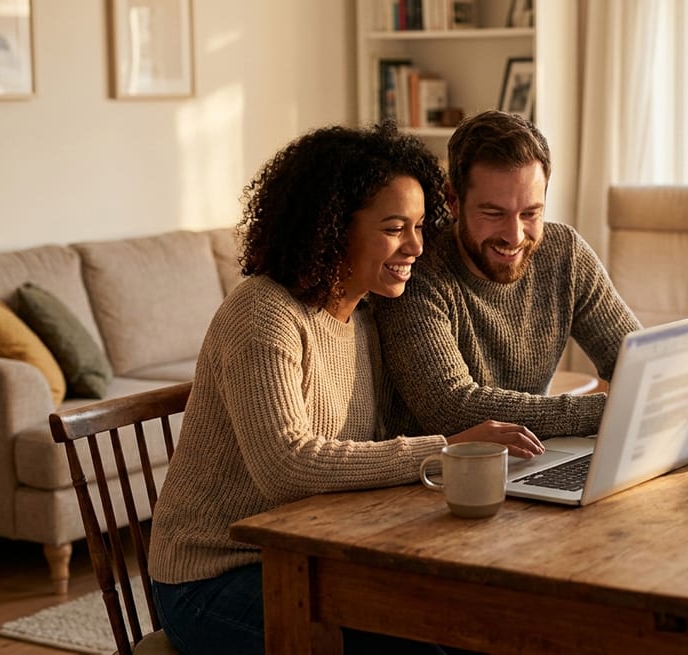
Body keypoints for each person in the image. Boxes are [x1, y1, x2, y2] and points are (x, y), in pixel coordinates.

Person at [148, 122, 543, 655]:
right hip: (214, 577)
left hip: (315, 553)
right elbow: (286, 467)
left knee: (479, 622)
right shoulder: (263, 314)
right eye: (394, 227)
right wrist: (445, 451)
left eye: (421, 226)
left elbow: (373, 439)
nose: (415, 246)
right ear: (333, 227)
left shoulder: (366, 316)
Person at [372, 110, 642, 439]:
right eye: (493, 213)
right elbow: (453, 408)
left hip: (530, 458)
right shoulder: (414, 270)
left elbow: (637, 362)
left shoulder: (564, 254)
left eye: (530, 213)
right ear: (454, 201)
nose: (514, 236)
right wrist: (611, 412)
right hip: (437, 476)